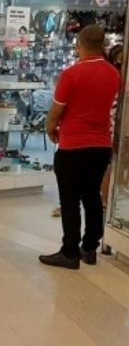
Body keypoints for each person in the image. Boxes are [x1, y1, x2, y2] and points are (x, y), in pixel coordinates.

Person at [39, 25, 121, 270]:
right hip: (101, 145)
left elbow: (56, 111)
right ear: (102, 45)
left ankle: (69, 252)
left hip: (73, 146)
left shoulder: (71, 74)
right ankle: (90, 248)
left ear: (79, 45)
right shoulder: (114, 74)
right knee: (92, 196)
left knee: (70, 200)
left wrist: (50, 129)